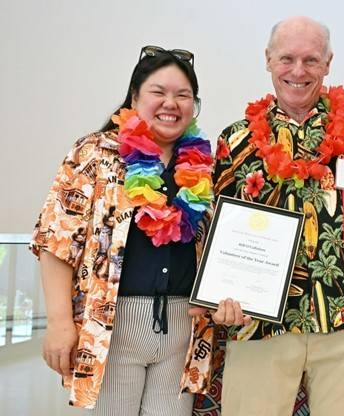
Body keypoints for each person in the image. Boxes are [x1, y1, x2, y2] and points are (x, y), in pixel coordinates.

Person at [194, 16, 344, 416]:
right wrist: (216, 297)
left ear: (328, 63)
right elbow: (212, 224)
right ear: (268, 60)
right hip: (257, 325)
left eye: (311, 60)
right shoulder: (236, 140)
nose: (298, 71)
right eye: (287, 58)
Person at [30, 45, 216, 414]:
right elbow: (56, 239)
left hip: (182, 330)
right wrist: (59, 324)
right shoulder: (93, 153)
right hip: (112, 327)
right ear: (134, 97)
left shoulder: (202, 164)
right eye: (158, 92)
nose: (171, 103)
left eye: (183, 95)